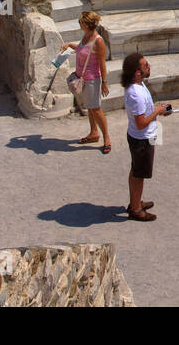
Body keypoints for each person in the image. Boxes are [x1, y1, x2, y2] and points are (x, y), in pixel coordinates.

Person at [122, 51, 171, 221]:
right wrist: (157, 111)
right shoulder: (135, 93)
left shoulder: (138, 85)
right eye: (145, 65)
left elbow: (143, 115)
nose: (149, 66)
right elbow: (141, 123)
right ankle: (136, 209)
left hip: (141, 136)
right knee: (139, 174)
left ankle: (135, 201)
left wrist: (159, 111)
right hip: (141, 139)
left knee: (136, 170)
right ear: (137, 72)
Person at [59, 12, 111, 153]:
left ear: (87, 24)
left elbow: (102, 63)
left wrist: (104, 83)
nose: (79, 24)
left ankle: (107, 138)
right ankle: (94, 132)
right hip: (82, 78)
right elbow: (82, 50)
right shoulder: (86, 36)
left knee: (96, 108)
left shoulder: (98, 41)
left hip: (93, 79)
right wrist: (70, 45)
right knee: (90, 107)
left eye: (81, 22)